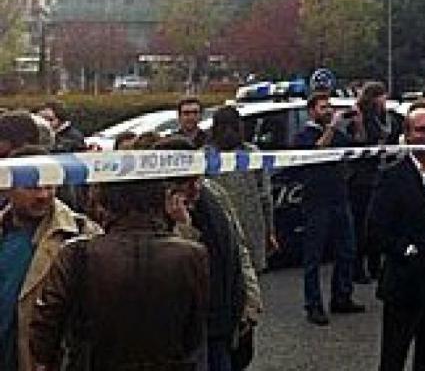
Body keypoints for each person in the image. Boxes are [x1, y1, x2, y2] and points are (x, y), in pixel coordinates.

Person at [29, 178, 209, 371]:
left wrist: (47, 360)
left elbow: (46, 323)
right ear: (160, 200)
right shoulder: (192, 255)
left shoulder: (78, 254)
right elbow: (195, 332)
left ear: (104, 203)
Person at [159, 136, 261, 371]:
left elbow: (238, 246)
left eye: (199, 176)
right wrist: (183, 228)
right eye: (187, 180)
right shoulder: (154, 213)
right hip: (189, 334)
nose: (196, 185)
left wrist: (251, 299)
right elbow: (172, 273)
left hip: (225, 323)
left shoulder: (214, 195)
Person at [369, 106, 425, 371]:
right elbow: (375, 229)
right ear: (407, 135)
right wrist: (405, 250)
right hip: (405, 280)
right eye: (420, 130)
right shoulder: (393, 176)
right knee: (395, 353)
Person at [1, 145, 101, 371]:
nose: (43, 195)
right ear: (7, 189)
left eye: (49, 185)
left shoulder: (82, 236)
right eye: (32, 187)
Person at [292, 93, 365, 325]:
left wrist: (359, 122)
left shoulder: (338, 134)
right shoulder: (303, 135)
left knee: (347, 250)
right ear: (311, 111)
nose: (328, 111)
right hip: (316, 201)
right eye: (323, 107)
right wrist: (332, 128)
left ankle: (341, 296)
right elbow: (316, 152)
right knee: (313, 255)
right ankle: (313, 305)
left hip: (340, 198)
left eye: (330, 107)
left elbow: (360, 144)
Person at [207, 105, 276, 273]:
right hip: (248, 226)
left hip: (219, 229)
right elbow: (265, 195)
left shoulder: (205, 156)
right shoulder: (252, 153)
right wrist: (270, 230)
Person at [350, 81, 394, 284]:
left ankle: (375, 266)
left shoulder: (381, 116)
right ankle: (358, 267)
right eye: (383, 96)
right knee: (361, 225)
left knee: (375, 223)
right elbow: (362, 140)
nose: (385, 100)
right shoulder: (363, 117)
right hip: (362, 178)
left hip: (377, 173)